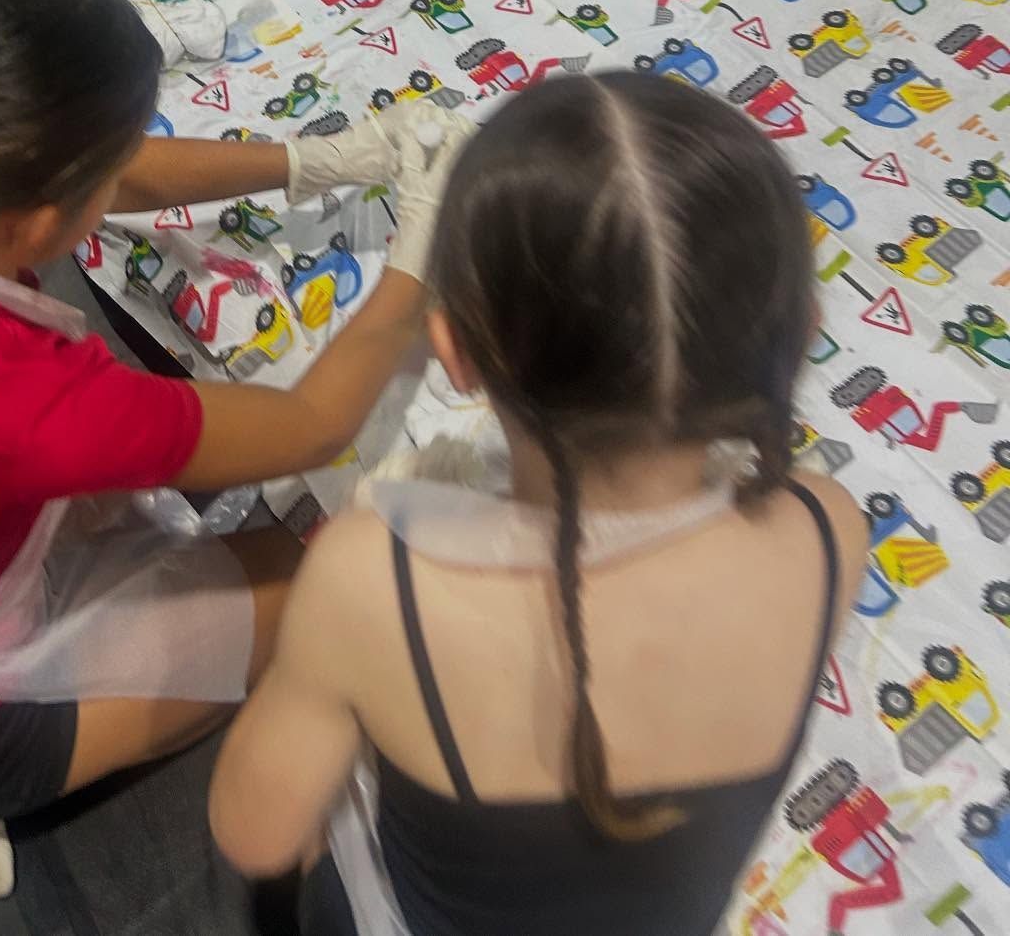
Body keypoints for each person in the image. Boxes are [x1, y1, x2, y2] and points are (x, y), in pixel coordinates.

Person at [0, 0, 456, 899]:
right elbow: (309, 424)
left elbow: (113, 176)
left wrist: (306, 163)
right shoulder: (25, 400)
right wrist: (415, 259)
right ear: (39, 217)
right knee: (310, 582)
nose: (123, 175)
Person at [209, 71, 866, 936]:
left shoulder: (373, 583)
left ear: (455, 352)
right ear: (802, 326)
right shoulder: (830, 527)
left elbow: (256, 833)